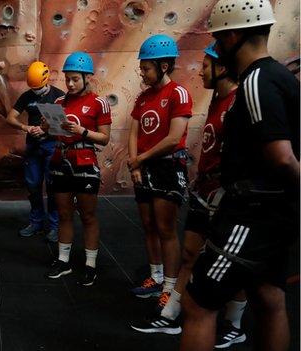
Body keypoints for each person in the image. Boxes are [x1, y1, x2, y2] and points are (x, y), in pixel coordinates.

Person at [181, 0, 300, 350]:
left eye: (218, 40)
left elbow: (281, 157)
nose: (216, 48)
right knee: (268, 300)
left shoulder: (256, 81)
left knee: (198, 302)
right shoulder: (280, 77)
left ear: (232, 36)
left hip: (251, 216)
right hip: (274, 215)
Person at [131, 43, 248, 344]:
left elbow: (174, 138)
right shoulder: (216, 100)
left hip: (208, 185)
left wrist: (141, 159)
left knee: (231, 259)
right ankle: (169, 311)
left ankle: (231, 322)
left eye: (206, 65)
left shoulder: (233, 102)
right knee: (188, 252)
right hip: (203, 187)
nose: (200, 70)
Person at [126, 34, 192, 333]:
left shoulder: (178, 93)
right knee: (149, 225)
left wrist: (142, 159)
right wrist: (134, 163)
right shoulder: (142, 98)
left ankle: (169, 285)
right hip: (144, 167)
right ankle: (154, 277)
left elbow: (173, 138)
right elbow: (133, 132)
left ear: (164, 65)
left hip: (166, 167)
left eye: (147, 68)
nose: (142, 72)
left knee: (166, 229)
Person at [44, 52, 112, 286]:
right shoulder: (58, 103)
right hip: (60, 160)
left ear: (86, 78)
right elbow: (53, 132)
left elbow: (104, 138)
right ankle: (63, 261)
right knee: (63, 213)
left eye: (74, 79)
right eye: (67, 79)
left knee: (88, 215)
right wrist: (47, 126)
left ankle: (90, 264)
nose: (70, 84)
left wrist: (81, 131)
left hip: (85, 163)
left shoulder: (98, 102)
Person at [6, 61, 64, 242]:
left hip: (51, 146)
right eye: (33, 87)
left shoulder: (58, 96)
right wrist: (25, 127)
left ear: (46, 80)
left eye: (38, 87)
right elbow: (10, 117)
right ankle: (36, 222)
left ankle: (55, 226)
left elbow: (63, 126)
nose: (36, 90)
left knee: (53, 187)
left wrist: (45, 129)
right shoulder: (27, 96)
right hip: (33, 147)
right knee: (33, 186)